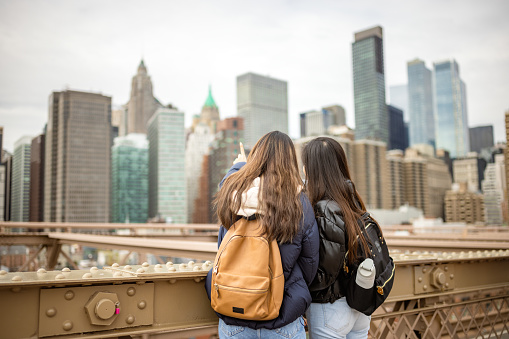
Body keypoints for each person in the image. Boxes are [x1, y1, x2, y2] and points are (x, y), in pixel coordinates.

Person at [205, 131, 319, 339]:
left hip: (233, 314)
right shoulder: (298, 200)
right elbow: (310, 262)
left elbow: (223, 245)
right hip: (281, 316)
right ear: (290, 161)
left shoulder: (232, 195)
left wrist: (238, 167)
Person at [302, 137, 372, 339]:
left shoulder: (323, 208)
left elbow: (326, 271)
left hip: (331, 309)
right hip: (358, 304)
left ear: (312, 169)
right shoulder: (353, 200)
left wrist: (298, 292)